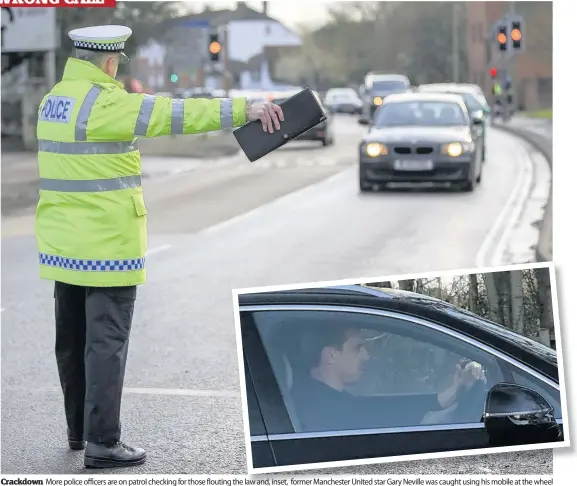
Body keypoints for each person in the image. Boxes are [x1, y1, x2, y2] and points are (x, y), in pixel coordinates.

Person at [35, 25, 284, 469]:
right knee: (106, 343)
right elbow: (179, 114)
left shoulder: (54, 100)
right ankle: (103, 443)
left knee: (71, 342)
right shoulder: (106, 102)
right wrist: (247, 108)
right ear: (110, 62)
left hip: (62, 243)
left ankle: (79, 431)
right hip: (107, 248)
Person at [291, 326, 486, 432]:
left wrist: (453, 391)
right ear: (331, 355)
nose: (366, 356)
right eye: (358, 348)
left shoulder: (325, 401)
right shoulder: (324, 412)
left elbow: (375, 408)